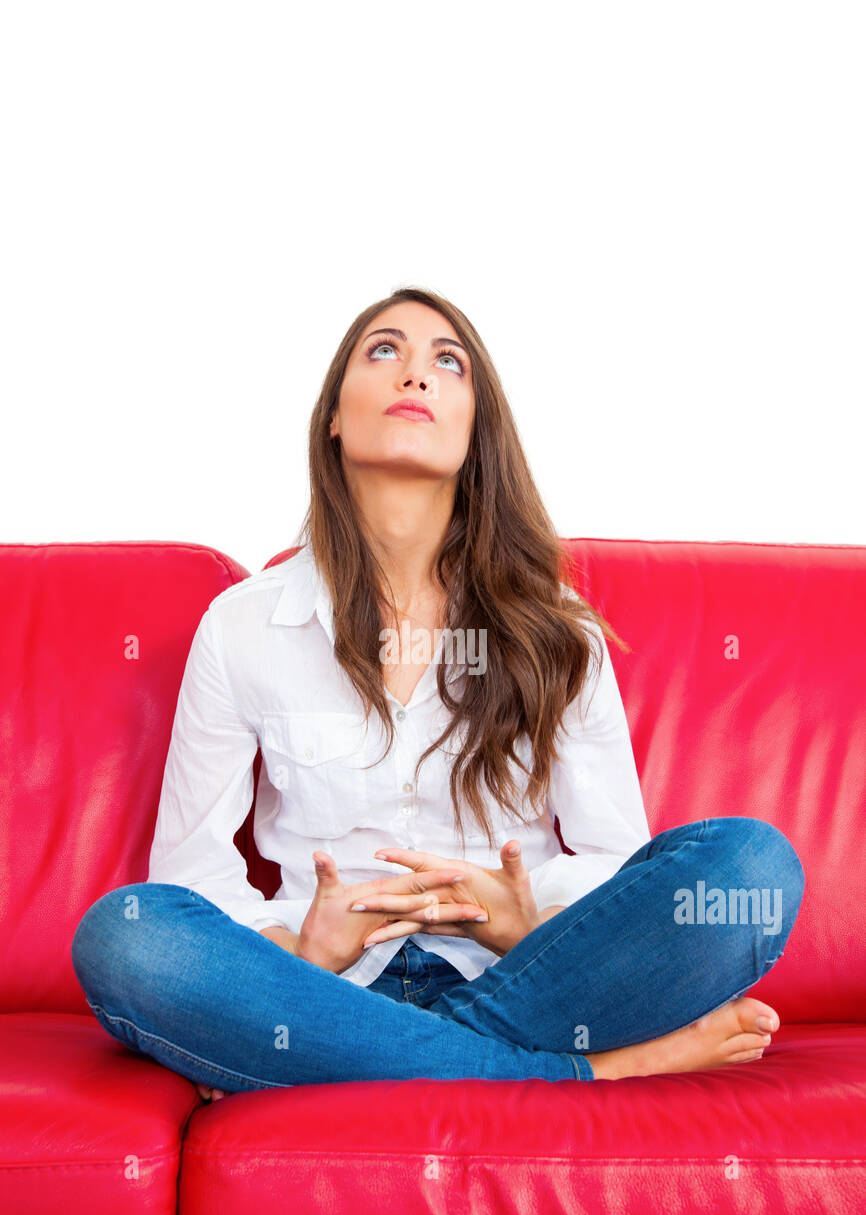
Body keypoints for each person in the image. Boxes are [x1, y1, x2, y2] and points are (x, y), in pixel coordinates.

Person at [71, 286, 805, 1093]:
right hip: (319, 991)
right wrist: (307, 952)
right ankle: (583, 1074)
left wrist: (524, 928)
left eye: (446, 362)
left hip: (529, 983)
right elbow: (189, 875)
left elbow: (611, 860)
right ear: (334, 420)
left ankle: (347, 1066)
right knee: (124, 937)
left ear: (474, 430)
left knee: (753, 871)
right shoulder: (243, 628)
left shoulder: (558, 634)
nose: (414, 374)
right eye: (384, 351)